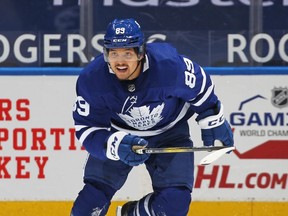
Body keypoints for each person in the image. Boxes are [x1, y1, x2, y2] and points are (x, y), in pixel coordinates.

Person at [71, 18, 234, 216]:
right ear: (106, 53)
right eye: (114, 53)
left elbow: (200, 86)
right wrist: (114, 144)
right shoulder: (93, 79)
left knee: (174, 205)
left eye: (127, 53)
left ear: (140, 52)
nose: (120, 61)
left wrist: (212, 117)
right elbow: (87, 129)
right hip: (120, 133)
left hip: (170, 133)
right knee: (88, 204)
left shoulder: (168, 65)